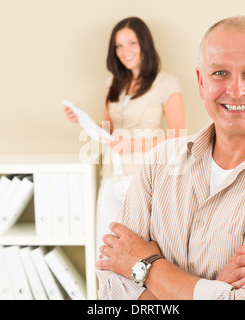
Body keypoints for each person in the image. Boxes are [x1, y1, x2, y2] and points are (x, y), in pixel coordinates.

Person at [96, 16, 245, 300]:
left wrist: (148, 269)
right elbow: (111, 293)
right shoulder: (158, 164)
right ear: (201, 82)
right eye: (220, 73)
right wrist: (215, 288)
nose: (236, 90)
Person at [64, 17, 186, 250]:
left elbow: (179, 139)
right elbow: (108, 131)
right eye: (118, 46)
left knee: (141, 255)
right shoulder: (113, 83)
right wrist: (81, 118)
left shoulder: (166, 83)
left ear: (144, 45)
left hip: (143, 180)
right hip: (111, 177)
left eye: (131, 43)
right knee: (105, 251)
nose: (124, 51)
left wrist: (131, 145)